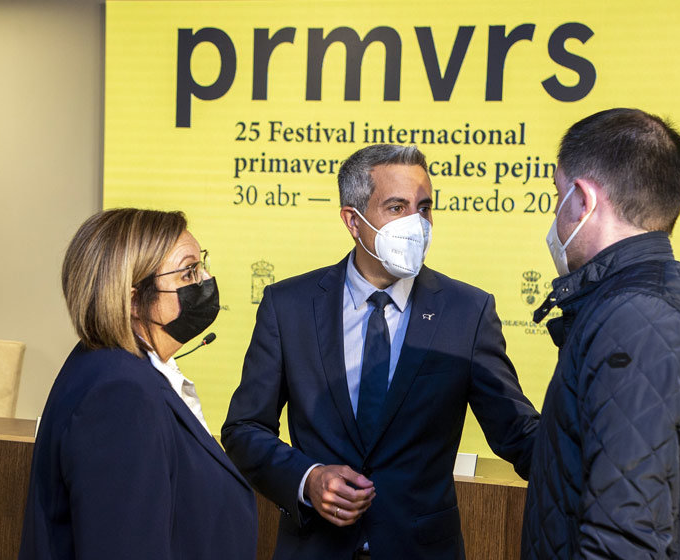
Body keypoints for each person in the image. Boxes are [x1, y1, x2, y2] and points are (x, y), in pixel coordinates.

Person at [222, 144, 539, 559]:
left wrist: (603, 470)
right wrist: (307, 478)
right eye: (396, 207)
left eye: (424, 208)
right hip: (316, 547)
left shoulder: (468, 311)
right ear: (353, 221)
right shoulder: (288, 306)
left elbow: (517, 432)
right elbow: (244, 428)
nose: (417, 223)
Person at [521, 108, 680, 559]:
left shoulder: (637, 321)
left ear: (582, 201)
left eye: (557, 195)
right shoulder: (653, 299)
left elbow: (624, 539)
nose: (556, 213)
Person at [18, 208, 257, 560]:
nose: (206, 279)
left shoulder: (119, 368)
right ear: (133, 300)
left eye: (201, 265)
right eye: (189, 272)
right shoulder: (119, 394)